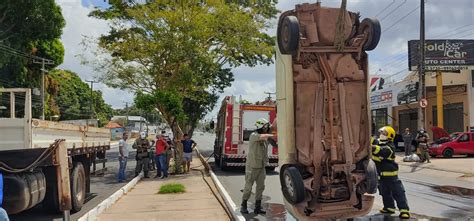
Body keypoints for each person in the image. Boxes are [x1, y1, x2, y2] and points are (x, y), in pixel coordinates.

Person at [372, 126, 410, 219]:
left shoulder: (390, 145)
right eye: (381, 133)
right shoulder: (377, 142)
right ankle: (389, 208)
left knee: (398, 192)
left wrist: (371, 148)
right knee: (385, 193)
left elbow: (382, 151)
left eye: (384, 133)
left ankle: (404, 210)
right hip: (380, 175)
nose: (381, 135)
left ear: (390, 136)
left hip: (391, 175)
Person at [240, 118, 274, 215]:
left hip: (261, 167)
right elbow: (264, 135)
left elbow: (271, 139)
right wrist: (274, 135)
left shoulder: (264, 138)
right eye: (265, 126)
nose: (266, 128)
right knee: (248, 187)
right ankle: (244, 205)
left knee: (260, 187)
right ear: (260, 126)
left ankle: (257, 207)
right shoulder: (253, 135)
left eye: (266, 127)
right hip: (252, 166)